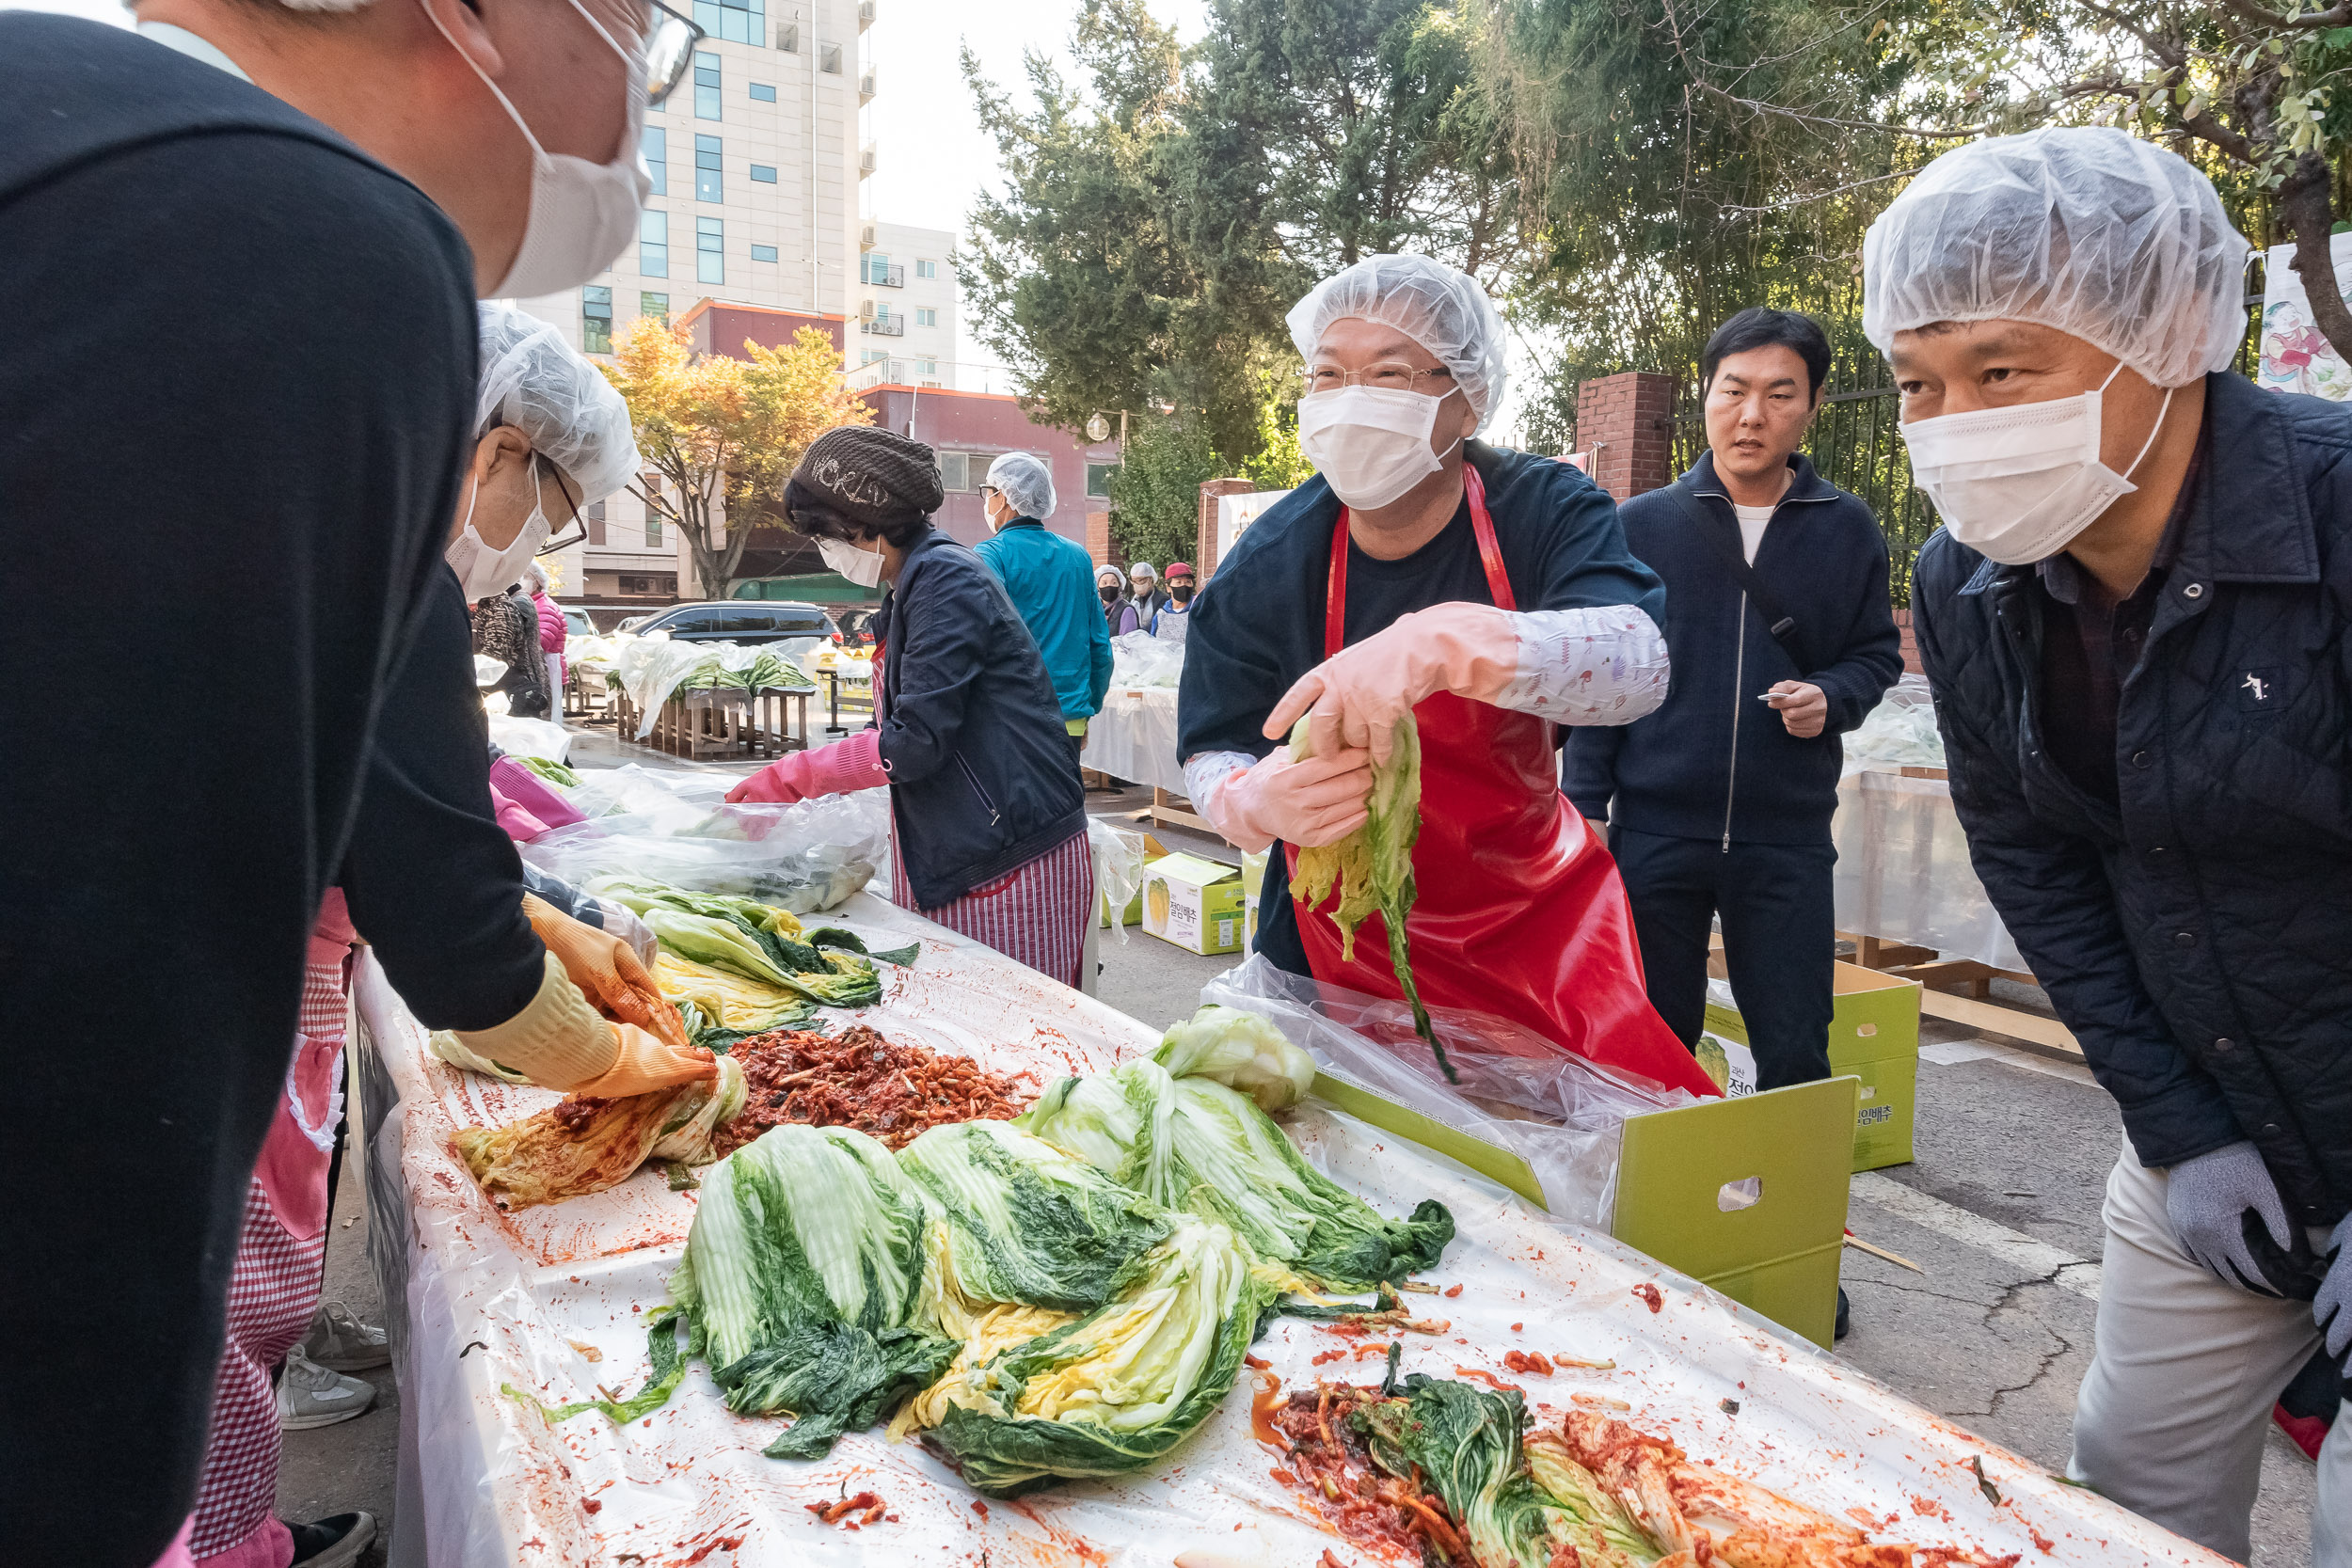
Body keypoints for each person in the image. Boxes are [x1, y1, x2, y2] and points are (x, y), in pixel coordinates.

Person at [1, 0, 696, 1558]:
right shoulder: (313, 240)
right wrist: (599, 1048)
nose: (638, 98)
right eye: (643, 30)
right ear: (476, 18)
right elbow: (415, 898)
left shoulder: (53, 116)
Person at [1872, 127, 2352, 1561]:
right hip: (2209, 1122)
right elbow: (2032, 856)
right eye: (1918, 383)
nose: (1954, 421)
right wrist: (2182, 1127)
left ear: (2173, 330)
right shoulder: (1969, 579)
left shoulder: (2335, 508)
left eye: (2003, 370)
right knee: (2125, 1486)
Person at [184, 308, 697, 1568]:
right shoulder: (387, 568)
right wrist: (634, 1063)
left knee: (214, 1344)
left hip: (211, 987)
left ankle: (238, 1534)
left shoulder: (284, 516)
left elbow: (371, 819)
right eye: (557, 506)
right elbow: (454, 945)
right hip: (211, 1033)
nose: (538, 552)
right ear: (504, 449)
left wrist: (540, 920)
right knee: (195, 1336)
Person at [1178, 253, 1714, 1096]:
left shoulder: (1543, 508)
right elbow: (1212, 744)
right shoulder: (1270, 558)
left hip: (1525, 931)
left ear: (1465, 397)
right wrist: (1245, 800)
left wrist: (1444, 643)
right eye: (1328, 374)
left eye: (1387, 373)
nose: (1351, 398)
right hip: (1331, 952)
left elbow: (1636, 664)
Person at [1566, 309, 1902, 1091]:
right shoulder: (1641, 525)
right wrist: (1585, 803)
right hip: (1654, 831)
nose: (1753, 415)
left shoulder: (1846, 527)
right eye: (1735, 390)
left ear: (1812, 406)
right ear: (1708, 396)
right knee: (1652, 1041)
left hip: (1784, 838)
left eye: (1780, 394)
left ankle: (1789, 1212)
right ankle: (1659, 1207)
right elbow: (1601, 674)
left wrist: (1832, 694)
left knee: (1794, 1046)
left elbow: (1875, 655)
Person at [727, 428, 1095, 985]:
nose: (826, 551)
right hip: (968, 838)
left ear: (868, 525)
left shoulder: (946, 581)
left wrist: (794, 776)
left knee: (1009, 1042)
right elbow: (900, 724)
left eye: (827, 535)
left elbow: (914, 741)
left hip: (1008, 856)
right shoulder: (914, 582)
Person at [975, 451, 1113, 750]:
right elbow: (1099, 646)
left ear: (1005, 497)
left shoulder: (991, 555)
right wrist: (1085, 711)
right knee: (1065, 797)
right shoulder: (1077, 556)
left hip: (1011, 715)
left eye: (988, 492)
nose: (986, 501)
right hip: (1070, 713)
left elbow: (981, 637)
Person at [475, 581, 553, 717]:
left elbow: (493, 658)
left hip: (503, 694)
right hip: (500, 691)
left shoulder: (500, 609)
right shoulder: (488, 607)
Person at [530, 562, 569, 711]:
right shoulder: (537, 604)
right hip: (547, 669)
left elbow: (541, 642)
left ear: (537, 583)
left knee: (548, 716)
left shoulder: (544, 607)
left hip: (548, 670)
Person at [1155, 562, 1198, 643]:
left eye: (1188, 582)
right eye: (1178, 582)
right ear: (1168, 588)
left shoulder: (1198, 609)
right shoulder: (1161, 615)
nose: (1184, 586)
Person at [1100, 563, 1142, 636]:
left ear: (1119, 586)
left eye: (1114, 583)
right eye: (1104, 583)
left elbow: (1127, 642)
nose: (1109, 586)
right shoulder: (1095, 609)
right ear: (1097, 587)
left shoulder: (1127, 610)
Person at [1129, 559, 1168, 628]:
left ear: (1150, 579)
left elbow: (1157, 625)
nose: (1136, 584)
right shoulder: (1135, 600)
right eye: (1134, 581)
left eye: (1140, 580)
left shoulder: (1162, 599)